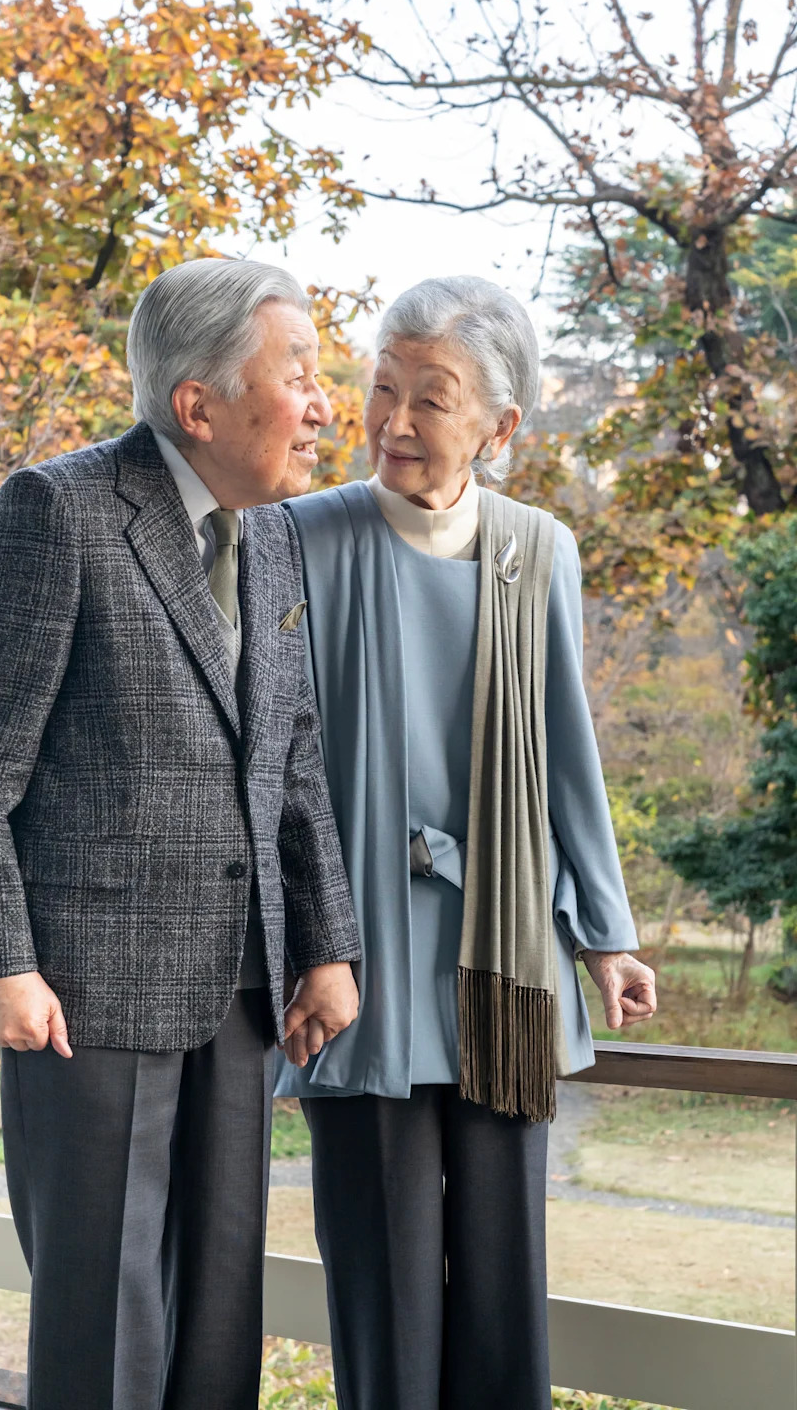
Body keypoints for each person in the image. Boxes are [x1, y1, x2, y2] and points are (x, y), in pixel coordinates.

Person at [0, 257, 361, 1410]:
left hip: (242, 996)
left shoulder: (272, 536)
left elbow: (292, 757)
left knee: (222, 1308)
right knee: (105, 1317)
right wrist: (0, 965)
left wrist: (325, 946)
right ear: (199, 404)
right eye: (300, 378)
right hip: (84, 1001)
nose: (324, 407)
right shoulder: (56, 510)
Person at [276, 275, 657, 1410]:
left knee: (503, 1273)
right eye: (381, 390)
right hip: (361, 959)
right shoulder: (302, 537)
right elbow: (277, 764)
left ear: (501, 426)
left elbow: (566, 751)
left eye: (430, 398)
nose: (394, 420)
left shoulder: (540, 549)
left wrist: (607, 934)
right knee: (381, 1284)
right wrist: (304, 935)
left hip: (506, 959)